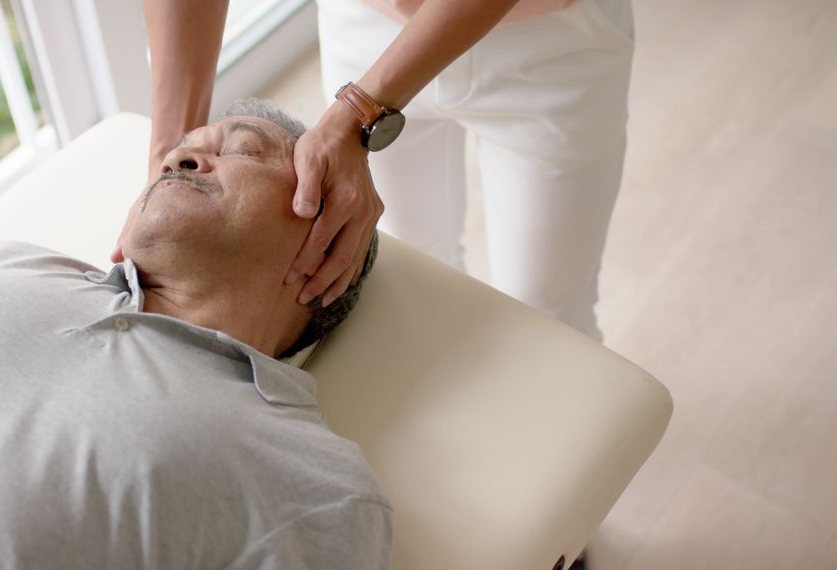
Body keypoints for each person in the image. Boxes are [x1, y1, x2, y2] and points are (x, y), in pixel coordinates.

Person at [0, 100, 391, 569]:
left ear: (331, 238)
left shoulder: (311, 480)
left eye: (246, 150)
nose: (178, 157)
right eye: (184, 148)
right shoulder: (5, 263)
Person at [121, 0, 633, 342]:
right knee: (410, 263)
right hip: (366, 26)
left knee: (549, 313)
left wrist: (359, 111)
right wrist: (169, 150)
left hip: (549, 42)